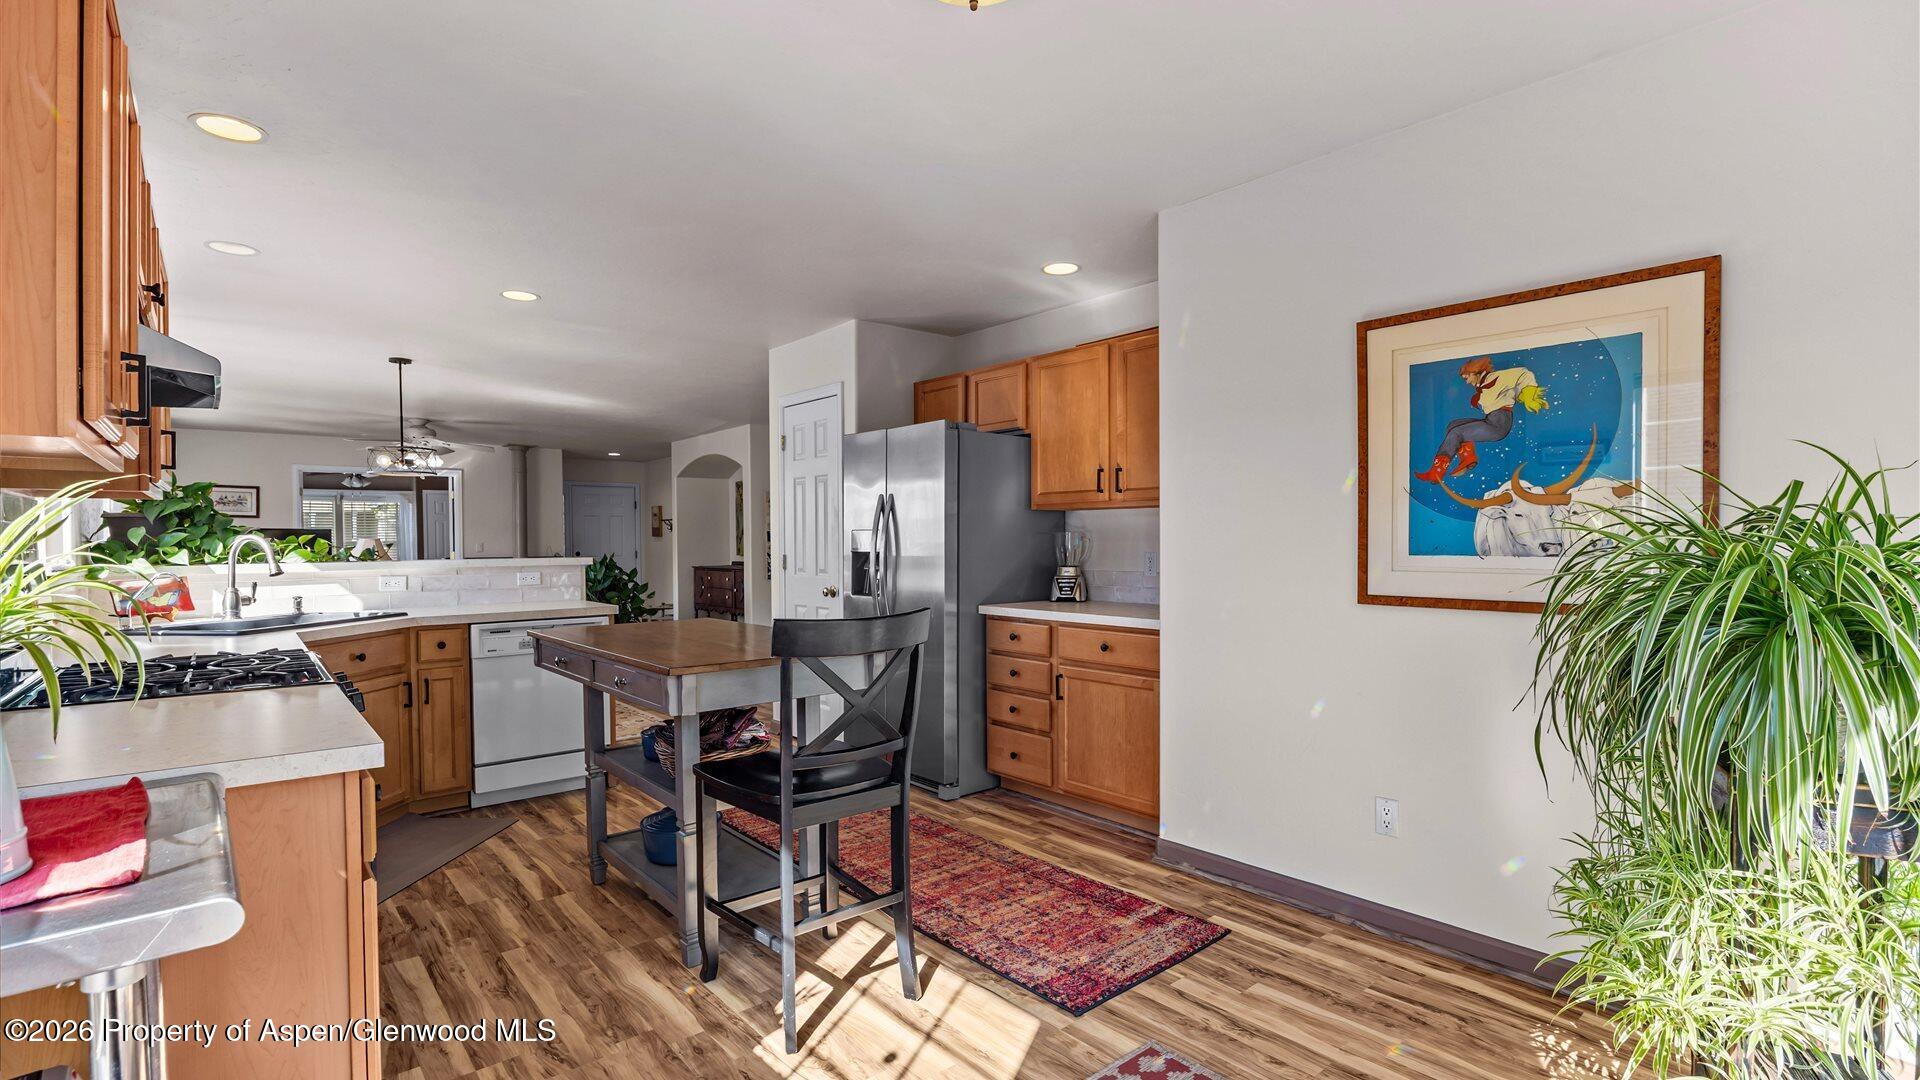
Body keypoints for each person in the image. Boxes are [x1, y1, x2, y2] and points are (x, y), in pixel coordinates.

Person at [1415, 356, 1549, 483]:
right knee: (1453, 425)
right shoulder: (1483, 386)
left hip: (1499, 424)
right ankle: (1468, 459)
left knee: (1457, 433)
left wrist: (1528, 394)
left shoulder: (1496, 377)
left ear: (1476, 371)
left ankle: (1436, 472)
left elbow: (1524, 373)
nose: (1466, 381)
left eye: (1467, 376)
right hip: (1491, 420)